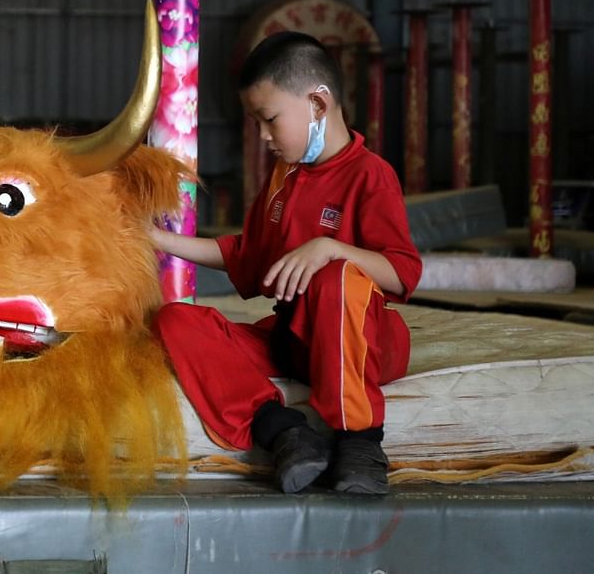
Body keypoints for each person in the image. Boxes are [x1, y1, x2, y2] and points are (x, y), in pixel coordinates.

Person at [149, 32, 422, 494]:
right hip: (293, 340)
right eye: (257, 122)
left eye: (270, 119)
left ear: (318, 103)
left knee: (336, 278)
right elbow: (246, 256)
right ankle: (283, 432)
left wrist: (330, 248)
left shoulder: (370, 174)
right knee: (174, 320)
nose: (263, 136)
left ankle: (359, 441)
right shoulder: (283, 178)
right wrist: (157, 239)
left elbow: (401, 272)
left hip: (365, 342)